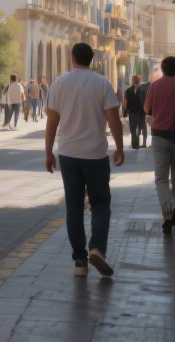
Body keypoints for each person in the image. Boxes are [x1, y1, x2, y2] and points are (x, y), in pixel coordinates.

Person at [44, 43, 124, 277]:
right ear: (92, 59)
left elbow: (52, 122)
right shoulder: (102, 83)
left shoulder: (59, 83)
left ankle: (80, 261)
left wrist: (48, 152)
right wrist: (119, 147)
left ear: (72, 58)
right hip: (95, 155)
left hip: (68, 154)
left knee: (74, 207)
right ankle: (97, 248)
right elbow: (113, 118)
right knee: (100, 204)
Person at [144, 56, 175, 234]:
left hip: (160, 137)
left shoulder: (154, 86)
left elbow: (147, 109)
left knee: (161, 179)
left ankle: (168, 215)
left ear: (163, 69)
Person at [123, 74, 148, 150]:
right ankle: (143, 143)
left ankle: (134, 143)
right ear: (140, 81)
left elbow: (125, 102)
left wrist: (125, 112)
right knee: (142, 127)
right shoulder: (143, 90)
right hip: (141, 112)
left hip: (132, 112)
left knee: (133, 128)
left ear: (132, 80)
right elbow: (146, 101)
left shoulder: (128, 91)